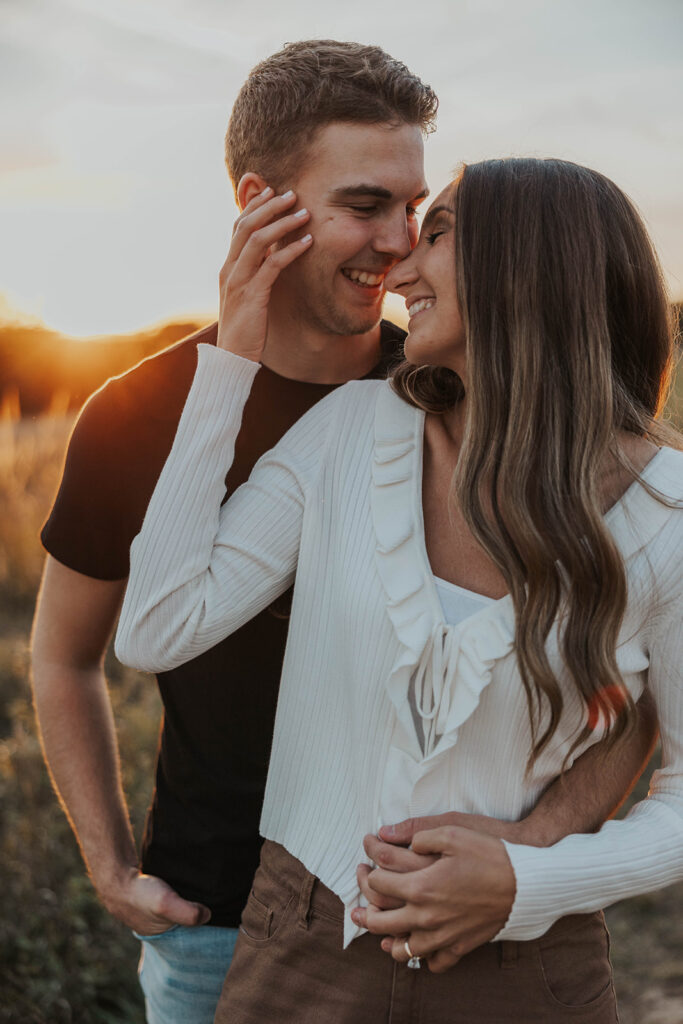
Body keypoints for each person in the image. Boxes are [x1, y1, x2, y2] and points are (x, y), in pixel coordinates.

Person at [115, 157, 681, 1023]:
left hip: (530, 970)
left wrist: (528, 875)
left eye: (439, 232)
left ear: (534, 262)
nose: (399, 267)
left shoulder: (669, 515)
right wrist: (231, 355)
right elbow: (157, 627)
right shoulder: (346, 428)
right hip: (298, 951)